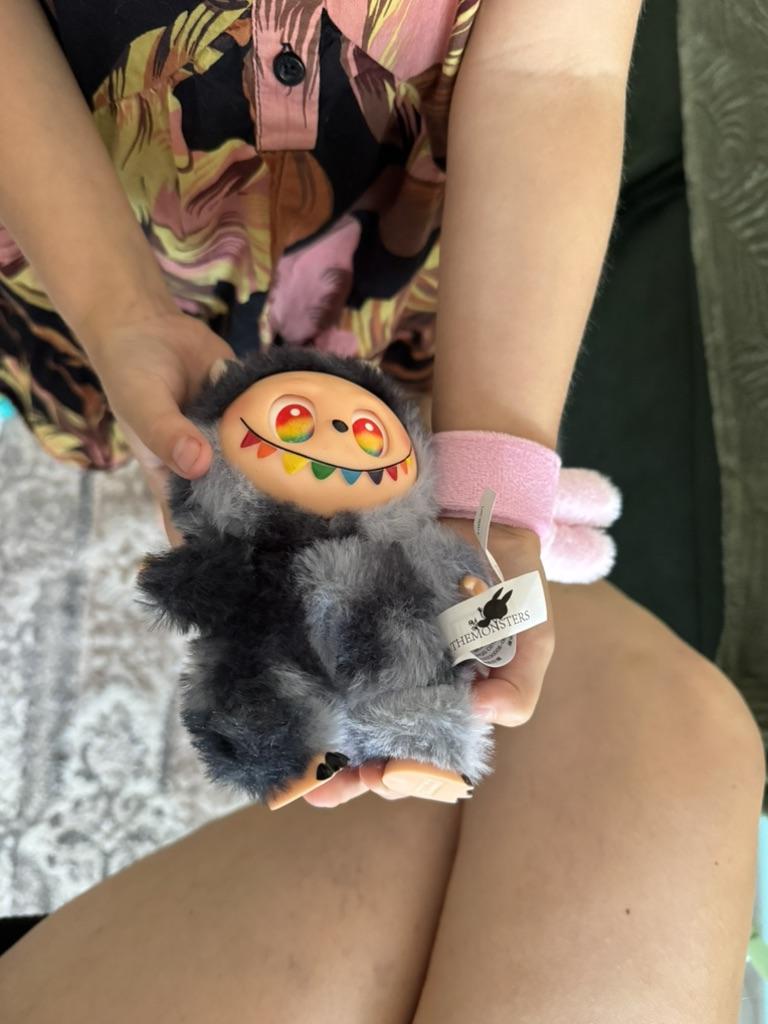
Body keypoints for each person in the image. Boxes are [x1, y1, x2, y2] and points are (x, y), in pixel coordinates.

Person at [0, 1, 763, 1021]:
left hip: (388, 214)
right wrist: (118, 309)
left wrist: (496, 499)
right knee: (669, 736)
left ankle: (418, 735)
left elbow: (555, 70)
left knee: (637, 725)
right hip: (89, 177)